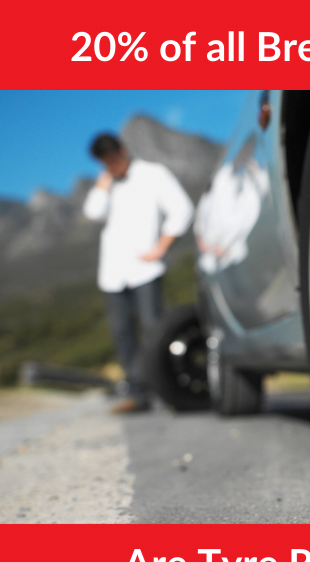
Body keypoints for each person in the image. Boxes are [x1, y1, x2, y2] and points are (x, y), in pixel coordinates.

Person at [84, 133, 194, 413]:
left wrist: (162, 246)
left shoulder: (153, 174)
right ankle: (138, 393)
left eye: (113, 160)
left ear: (123, 150)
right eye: (105, 163)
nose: (111, 166)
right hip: (112, 273)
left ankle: (169, 389)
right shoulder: (109, 185)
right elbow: (93, 212)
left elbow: (182, 209)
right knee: (122, 333)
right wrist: (103, 185)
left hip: (145, 269)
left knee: (154, 329)